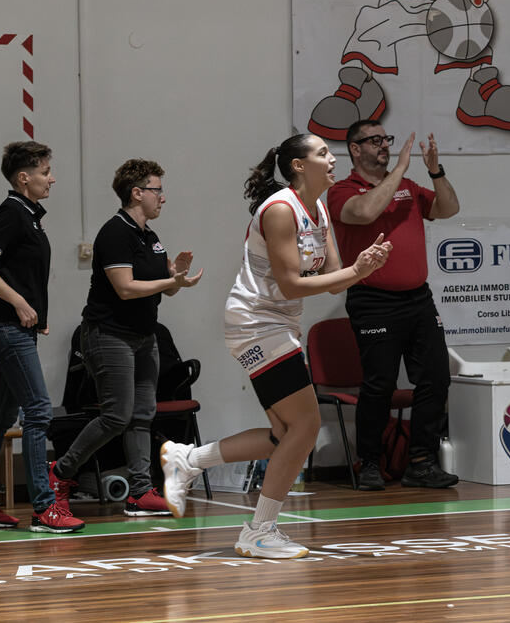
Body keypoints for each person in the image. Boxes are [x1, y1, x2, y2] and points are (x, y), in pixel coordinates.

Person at [160, 134, 392, 558]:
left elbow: (333, 277)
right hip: (256, 323)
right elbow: (291, 285)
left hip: (279, 324)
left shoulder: (319, 208)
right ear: (298, 166)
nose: (333, 158)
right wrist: (356, 272)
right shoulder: (281, 209)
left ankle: (189, 460)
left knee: (283, 435)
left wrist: (362, 268)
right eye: (322, 152)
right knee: (305, 427)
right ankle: (259, 531)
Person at [47, 159, 202, 518]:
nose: (163, 197)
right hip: (109, 334)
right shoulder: (115, 232)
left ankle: (140, 492)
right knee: (117, 416)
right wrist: (171, 280)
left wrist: (176, 277)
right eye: (157, 190)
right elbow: (126, 288)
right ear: (137, 193)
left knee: (142, 415)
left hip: (144, 336)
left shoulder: (150, 236)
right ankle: (61, 472)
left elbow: (163, 289)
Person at [0, 142, 84, 534]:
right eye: (46, 172)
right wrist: (19, 304)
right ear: (24, 178)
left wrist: (35, 315)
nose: (52, 178)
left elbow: (21, 272)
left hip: (16, 329)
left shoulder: (29, 215)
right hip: (5, 328)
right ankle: (45, 508)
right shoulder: (12, 211)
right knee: (39, 411)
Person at [327, 119, 460, 490]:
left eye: (385, 139)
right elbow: (365, 213)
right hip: (373, 300)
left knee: (436, 378)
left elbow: (448, 208)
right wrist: (400, 168)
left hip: (418, 298)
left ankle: (421, 462)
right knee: (380, 384)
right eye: (374, 140)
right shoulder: (341, 191)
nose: (384, 145)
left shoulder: (408, 188)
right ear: (355, 149)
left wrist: (435, 171)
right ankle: (370, 462)